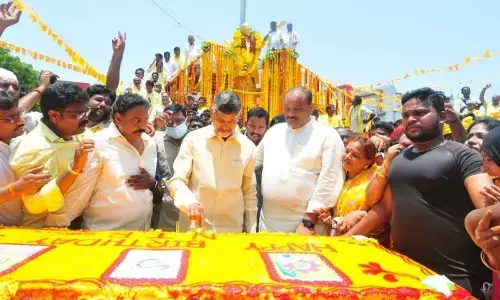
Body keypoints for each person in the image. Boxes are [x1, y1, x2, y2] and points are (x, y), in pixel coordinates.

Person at [385, 87, 490, 297]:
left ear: (442, 116)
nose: (411, 119)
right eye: (406, 115)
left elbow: (487, 210)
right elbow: (388, 208)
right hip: (404, 269)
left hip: (454, 277)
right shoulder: (398, 159)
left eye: (420, 113)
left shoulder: (463, 155)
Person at [47, 93, 160, 230]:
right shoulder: (99, 144)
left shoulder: (150, 143)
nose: (142, 125)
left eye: (145, 120)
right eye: (136, 120)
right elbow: (81, 191)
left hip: (142, 235)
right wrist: (57, 224)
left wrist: (152, 183)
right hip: (104, 235)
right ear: (118, 118)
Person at [256, 87, 344, 234]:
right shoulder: (274, 131)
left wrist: (308, 221)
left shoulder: (327, 136)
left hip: (304, 226)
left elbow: (330, 180)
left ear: (311, 108)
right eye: (287, 108)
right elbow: (253, 161)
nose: (290, 114)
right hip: (268, 224)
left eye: (297, 109)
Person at [168, 91, 257, 233]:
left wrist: (252, 231)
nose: (225, 126)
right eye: (220, 120)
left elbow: (249, 192)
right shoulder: (193, 140)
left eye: (231, 121)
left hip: (231, 230)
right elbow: (177, 180)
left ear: (238, 117)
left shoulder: (247, 147)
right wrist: (189, 203)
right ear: (212, 112)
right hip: (195, 228)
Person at [10, 82, 94, 228]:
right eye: (77, 115)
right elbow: (34, 206)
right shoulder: (32, 150)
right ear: (54, 116)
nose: (86, 118)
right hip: (42, 235)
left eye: (86, 111)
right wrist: (73, 170)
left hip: (76, 229)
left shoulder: (78, 132)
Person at [0, 91, 51, 225]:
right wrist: (16, 188)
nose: (21, 121)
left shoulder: (27, 139)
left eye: (19, 114)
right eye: (10, 119)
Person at [152, 104, 188, 230]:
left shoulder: (195, 140)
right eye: (170, 122)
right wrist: (154, 125)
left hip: (191, 205)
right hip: (165, 205)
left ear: (186, 118)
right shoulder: (157, 140)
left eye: (179, 121)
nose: (174, 126)